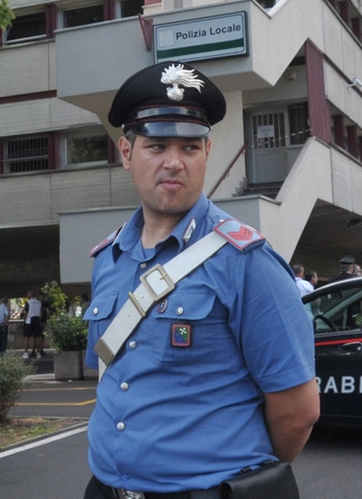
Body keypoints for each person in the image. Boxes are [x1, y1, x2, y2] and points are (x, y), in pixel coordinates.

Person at [82, 63, 318, 498]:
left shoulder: (247, 262)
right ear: (126, 152)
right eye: (156, 146)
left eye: (189, 147)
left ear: (207, 152)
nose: (174, 162)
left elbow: (298, 411)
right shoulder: (109, 258)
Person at [23, 291, 45, 359]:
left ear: (30, 295)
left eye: (28, 294)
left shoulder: (28, 302)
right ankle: (38, 353)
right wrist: (39, 320)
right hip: (37, 320)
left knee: (27, 338)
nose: (27, 295)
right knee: (37, 337)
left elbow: (26, 313)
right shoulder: (39, 303)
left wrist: (24, 320)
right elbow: (41, 313)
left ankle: (26, 353)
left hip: (29, 320)